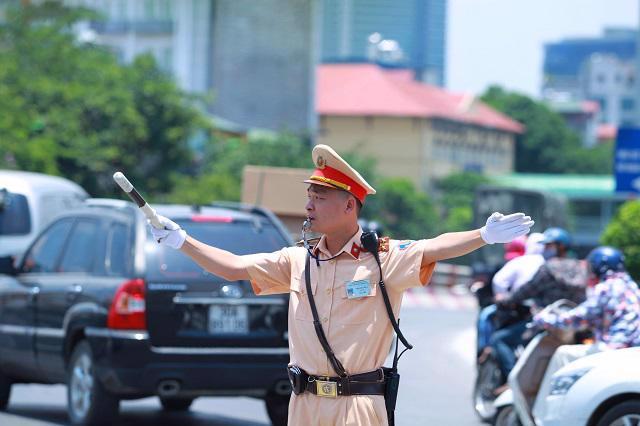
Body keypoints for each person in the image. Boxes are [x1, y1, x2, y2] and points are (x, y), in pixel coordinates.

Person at [149, 144, 534, 426]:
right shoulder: (297, 260)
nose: (309, 205)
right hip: (302, 405)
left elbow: (433, 246)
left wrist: (482, 235)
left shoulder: (382, 258)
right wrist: (184, 241)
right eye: (309, 196)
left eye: (320, 197)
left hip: (357, 407)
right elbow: (234, 267)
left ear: (350, 206)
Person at [531, 246, 640, 424]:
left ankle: (542, 415)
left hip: (612, 349)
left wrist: (545, 319)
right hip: (629, 349)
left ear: (599, 267)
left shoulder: (606, 287)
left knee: (563, 354)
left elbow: (579, 317)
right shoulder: (631, 285)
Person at [481, 233, 546, 380]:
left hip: (525, 313)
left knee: (497, 336)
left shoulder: (524, 263)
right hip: (548, 316)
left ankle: (511, 380)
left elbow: (500, 283)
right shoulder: (555, 264)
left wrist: (505, 299)